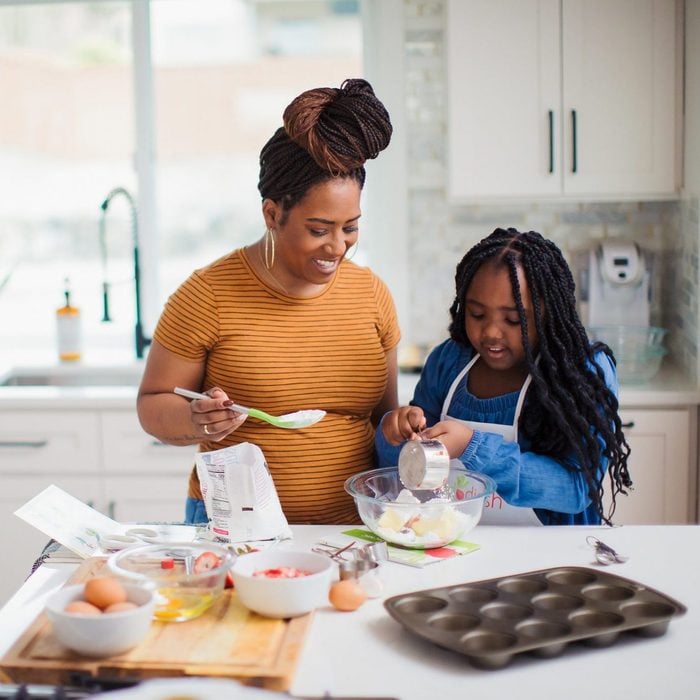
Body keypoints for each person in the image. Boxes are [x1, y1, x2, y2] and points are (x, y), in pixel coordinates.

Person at [137, 78, 399, 526]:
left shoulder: (371, 294)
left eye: (350, 227)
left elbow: (384, 419)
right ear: (272, 213)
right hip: (232, 529)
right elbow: (152, 406)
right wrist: (197, 419)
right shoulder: (207, 295)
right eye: (319, 229)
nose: (338, 247)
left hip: (355, 530)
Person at [375, 228, 632, 526]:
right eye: (477, 314)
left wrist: (474, 447)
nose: (491, 333)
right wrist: (395, 433)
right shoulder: (450, 360)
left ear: (548, 313)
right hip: (457, 546)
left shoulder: (581, 372)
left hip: (551, 556)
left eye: (514, 320)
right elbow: (408, 471)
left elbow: (576, 488)